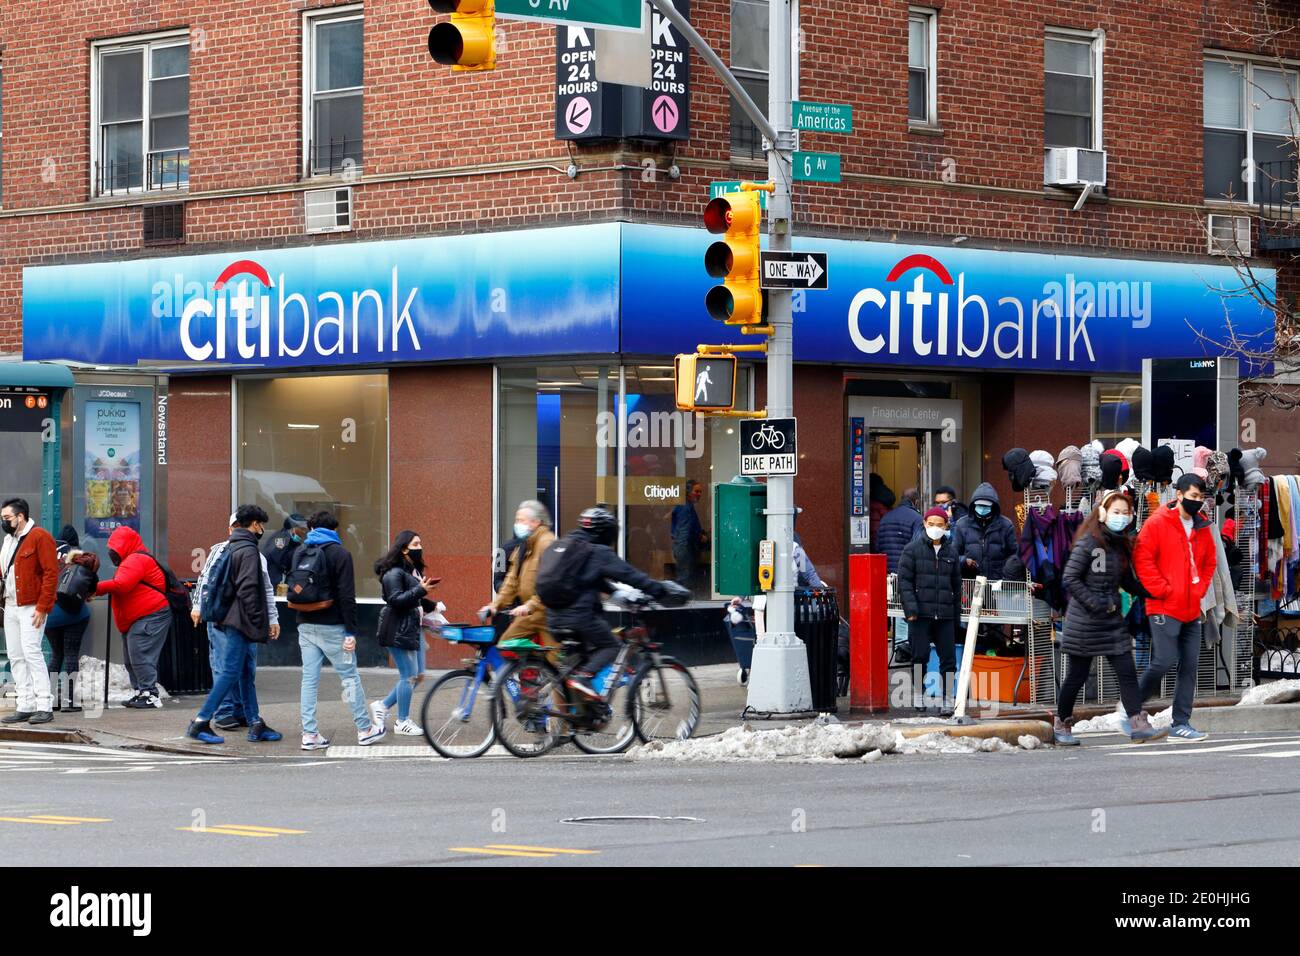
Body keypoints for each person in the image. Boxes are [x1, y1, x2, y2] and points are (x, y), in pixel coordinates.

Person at [542, 506, 690, 699]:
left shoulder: (568, 546)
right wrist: (659, 590)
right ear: (607, 532)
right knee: (612, 646)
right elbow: (631, 576)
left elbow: (592, 581)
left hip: (553, 618)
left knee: (580, 660)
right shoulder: (598, 551)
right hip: (580, 618)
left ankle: (578, 717)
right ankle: (584, 678)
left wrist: (616, 593)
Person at [1054, 491, 1164, 745]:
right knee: (1077, 676)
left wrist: (1153, 592)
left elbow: (1125, 580)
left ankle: (1138, 722)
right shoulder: (1089, 543)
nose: (1121, 517)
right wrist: (1095, 602)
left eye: (1125, 513)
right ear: (1103, 514)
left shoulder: (1120, 544)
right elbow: (1070, 578)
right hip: (1085, 622)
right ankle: (1061, 723)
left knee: (1126, 671)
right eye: (1116, 512)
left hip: (1112, 620)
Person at [186, 505, 282, 744]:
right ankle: (200, 722)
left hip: (226, 619)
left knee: (244, 673)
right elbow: (250, 589)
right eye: (261, 524)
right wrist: (259, 621)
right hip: (240, 622)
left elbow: (206, 580)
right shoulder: (249, 551)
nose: (263, 529)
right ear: (255, 524)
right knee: (230, 672)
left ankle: (255, 723)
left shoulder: (228, 548)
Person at [1131, 474, 1217, 742]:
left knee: (1190, 666)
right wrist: (1163, 590)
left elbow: (1209, 562)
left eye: (1201, 498)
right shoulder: (1158, 522)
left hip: (1192, 607)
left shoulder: (1202, 526)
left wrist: (1199, 589)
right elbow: (1143, 559)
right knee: (1164, 661)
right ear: (1178, 495)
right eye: (1193, 496)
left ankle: (1181, 723)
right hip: (1163, 606)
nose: (1197, 502)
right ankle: (1131, 706)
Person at [295, 510, 382, 749]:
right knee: (349, 679)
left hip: (305, 625)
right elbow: (347, 596)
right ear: (334, 529)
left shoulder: (301, 551)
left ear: (312, 528)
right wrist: (351, 632)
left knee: (309, 680)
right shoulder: (340, 553)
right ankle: (364, 729)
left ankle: (310, 734)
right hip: (334, 628)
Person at [93, 525, 173, 709]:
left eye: (114, 549)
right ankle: (140, 692)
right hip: (139, 617)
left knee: (140, 655)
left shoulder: (136, 559)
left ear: (124, 546)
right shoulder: (130, 560)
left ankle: (150, 694)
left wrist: (95, 588)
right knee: (132, 657)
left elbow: (122, 585)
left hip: (150, 615)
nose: (111, 553)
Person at [370, 531, 438, 737]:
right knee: (408, 676)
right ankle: (402, 721)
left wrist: (432, 604)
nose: (420, 547)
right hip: (398, 628)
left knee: (417, 676)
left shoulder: (411, 571)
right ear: (405, 548)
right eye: (416, 543)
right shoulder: (394, 573)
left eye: (421, 543)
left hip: (411, 628)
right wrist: (421, 591)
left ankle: (382, 706)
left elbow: (412, 599)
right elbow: (396, 599)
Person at [0, 498, 60, 725]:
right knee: (16, 655)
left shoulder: (39, 536)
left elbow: (50, 573)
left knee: (31, 653)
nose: (4, 522)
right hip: (12, 604)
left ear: (21, 516)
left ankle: (44, 704)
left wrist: (43, 607)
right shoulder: (9, 540)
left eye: (7, 518)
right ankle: (25, 704)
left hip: (31, 605)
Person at [897, 507, 961, 714]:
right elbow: (904, 583)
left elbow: (957, 586)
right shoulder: (912, 550)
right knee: (919, 656)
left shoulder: (951, 552)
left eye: (939, 524)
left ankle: (948, 698)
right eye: (931, 523)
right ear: (924, 524)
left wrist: (956, 615)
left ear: (946, 526)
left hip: (945, 615)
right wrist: (911, 610)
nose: (935, 528)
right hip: (920, 614)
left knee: (948, 659)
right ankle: (918, 694)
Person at [480, 500, 557, 649]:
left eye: (520, 520)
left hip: (535, 609)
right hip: (514, 608)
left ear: (535, 522)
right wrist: (498, 604)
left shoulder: (544, 543)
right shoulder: (504, 549)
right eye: (517, 521)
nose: (517, 524)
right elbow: (500, 579)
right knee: (506, 646)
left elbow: (551, 582)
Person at [46, 526, 99, 713]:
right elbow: (92, 586)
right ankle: (69, 701)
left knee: (56, 655)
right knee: (70, 654)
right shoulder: (78, 557)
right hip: (74, 615)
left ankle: (49, 700)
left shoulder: (46, 555)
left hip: (48, 615)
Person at [951, 482, 1019, 581]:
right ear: (973, 505)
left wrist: (1006, 572)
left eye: (986, 506)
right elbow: (953, 554)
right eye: (979, 505)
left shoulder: (1006, 525)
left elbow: (1014, 554)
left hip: (998, 582)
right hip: (970, 582)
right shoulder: (962, 525)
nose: (982, 509)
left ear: (994, 507)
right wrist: (964, 561)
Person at [671, 479, 708, 591]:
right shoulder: (685, 508)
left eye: (700, 491)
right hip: (685, 548)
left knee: (686, 578)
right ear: (688, 492)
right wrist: (699, 537)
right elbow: (685, 531)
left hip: (685, 547)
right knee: (685, 580)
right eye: (696, 491)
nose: (699, 494)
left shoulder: (686, 507)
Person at [875, 487, 923, 574]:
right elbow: (919, 548)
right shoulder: (917, 519)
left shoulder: (885, 517)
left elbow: (877, 546)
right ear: (916, 502)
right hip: (906, 571)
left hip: (886, 571)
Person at [260, 513, 307, 589]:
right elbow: (281, 560)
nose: (304, 532)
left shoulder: (290, 539)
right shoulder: (281, 539)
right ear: (293, 529)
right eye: (302, 529)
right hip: (273, 578)